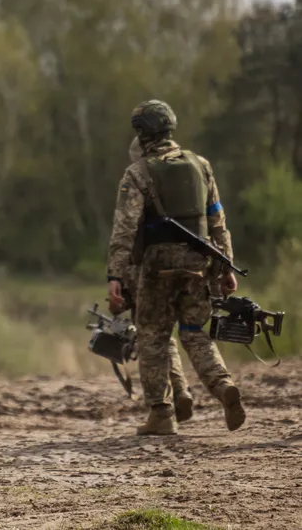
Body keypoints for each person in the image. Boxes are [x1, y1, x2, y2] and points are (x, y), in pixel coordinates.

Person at [106, 100, 246, 436]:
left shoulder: (138, 172)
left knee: (153, 335)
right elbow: (217, 220)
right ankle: (222, 385)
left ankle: (161, 413)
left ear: (142, 132)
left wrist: (115, 274)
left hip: (157, 265)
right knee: (195, 332)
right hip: (200, 261)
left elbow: (125, 229)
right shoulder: (201, 165)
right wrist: (226, 264)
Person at [120, 136, 194, 422]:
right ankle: (182, 389)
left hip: (147, 271)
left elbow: (125, 237)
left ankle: (165, 403)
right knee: (167, 337)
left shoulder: (137, 185)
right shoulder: (179, 189)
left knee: (153, 337)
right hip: (183, 267)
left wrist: (118, 277)